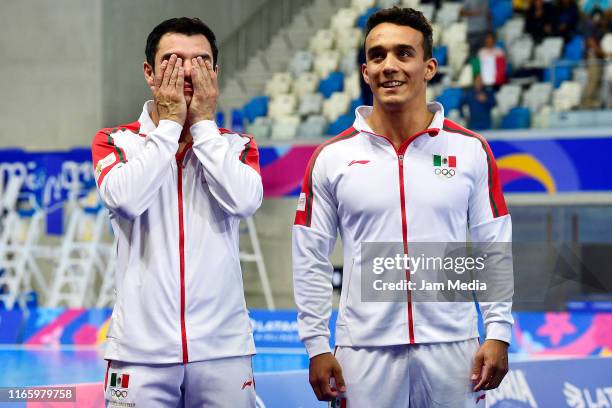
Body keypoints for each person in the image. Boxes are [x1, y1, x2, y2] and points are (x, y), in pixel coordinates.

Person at [293, 7, 513, 407]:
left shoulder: (471, 150)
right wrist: (316, 345)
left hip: (453, 347)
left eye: (403, 54)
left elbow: (492, 244)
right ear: (364, 71)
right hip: (363, 352)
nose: (389, 66)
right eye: (377, 56)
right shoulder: (331, 157)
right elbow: (310, 257)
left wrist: (497, 331)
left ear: (428, 67)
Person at [91, 17, 262, 407]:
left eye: (200, 61)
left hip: (223, 349)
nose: (187, 71)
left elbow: (246, 201)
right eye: (172, 60)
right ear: (149, 73)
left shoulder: (235, 145)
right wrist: (168, 126)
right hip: (139, 351)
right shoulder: (114, 141)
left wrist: (202, 125)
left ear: (215, 73)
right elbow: (126, 199)